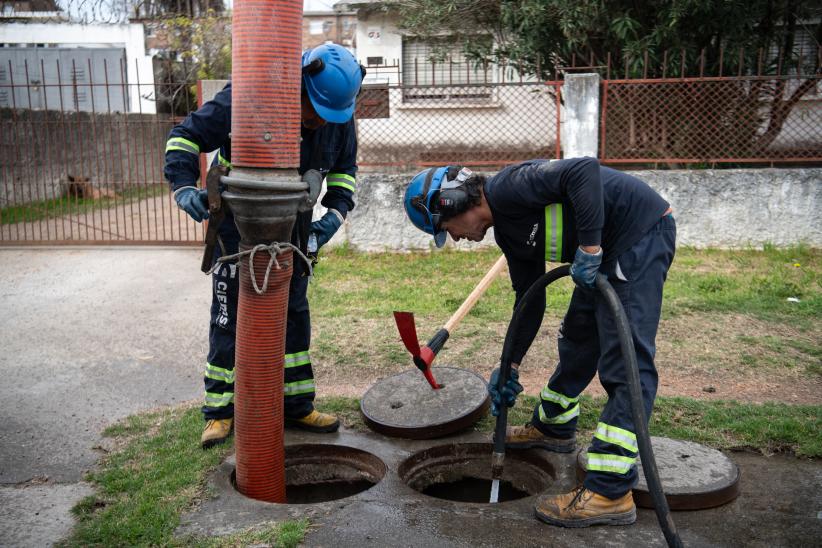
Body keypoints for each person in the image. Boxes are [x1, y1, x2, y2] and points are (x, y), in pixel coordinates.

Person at [403, 158, 675, 527]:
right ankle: (554, 425)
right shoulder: (508, 234)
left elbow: (583, 171)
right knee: (579, 335)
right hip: (608, 251)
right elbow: (530, 299)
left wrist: (591, 249)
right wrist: (509, 364)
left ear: (451, 201)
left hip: (638, 235)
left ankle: (610, 491)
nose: (453, 237)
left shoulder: (510, 188)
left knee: (625, 361)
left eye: (445, 227)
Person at [164, 43, 365, 448]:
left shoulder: (337, 116)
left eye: (328, 117)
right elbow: (184, 138)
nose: (318, 122)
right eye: (314, 112)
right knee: (229, 316)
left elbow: (344, 171)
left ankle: (296, 405)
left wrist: (333, 217)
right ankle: (219, 412)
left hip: (297, 231)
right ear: (301, 84)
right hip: (239, 229)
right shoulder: (250, 96)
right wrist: (184, 186)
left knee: (294, 314)